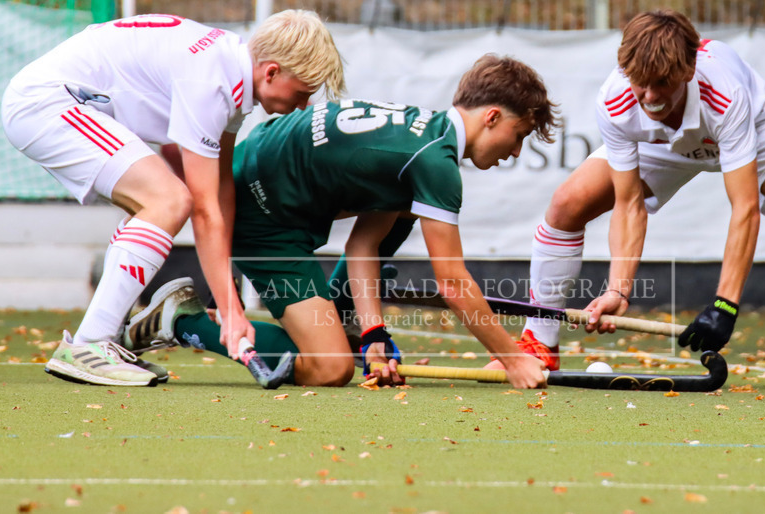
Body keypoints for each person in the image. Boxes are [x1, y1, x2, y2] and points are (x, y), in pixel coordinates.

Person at [123, 54, 560, 389]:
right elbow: (452, 282)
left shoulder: (421, 134)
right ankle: (181, 319)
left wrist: (373, 334)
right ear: (492, 117)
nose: (515, 151)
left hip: (260, 180)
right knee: (330, 368)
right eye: (519, 135)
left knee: (403, 217)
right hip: (260, 217)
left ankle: (346, 325)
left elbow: (364, 244)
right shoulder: (435, 163)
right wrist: (513, 359)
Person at [508, 10, 765, 391]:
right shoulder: (617, 98)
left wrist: (725, 305)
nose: (650, 96)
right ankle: (539, 343)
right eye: (641, 83)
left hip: (753, 127)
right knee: (567, 203)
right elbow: (629, 203)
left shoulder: (724, 93)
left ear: (688, 70)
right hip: (662, 144)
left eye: (662, 83)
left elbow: (744, 208)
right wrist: (617, 290)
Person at [1, 11, 345, 386]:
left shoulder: (230, 71)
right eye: (302, 93)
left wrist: (225, 289)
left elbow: (220, 189)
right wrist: (231, 312)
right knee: (168, 200)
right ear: (272, 72)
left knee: (161, 202)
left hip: (59, 102)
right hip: (46, 103)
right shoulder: (211, 83)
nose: (303, 105)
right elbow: (204, 209)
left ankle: (103, 339)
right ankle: (89, 345)